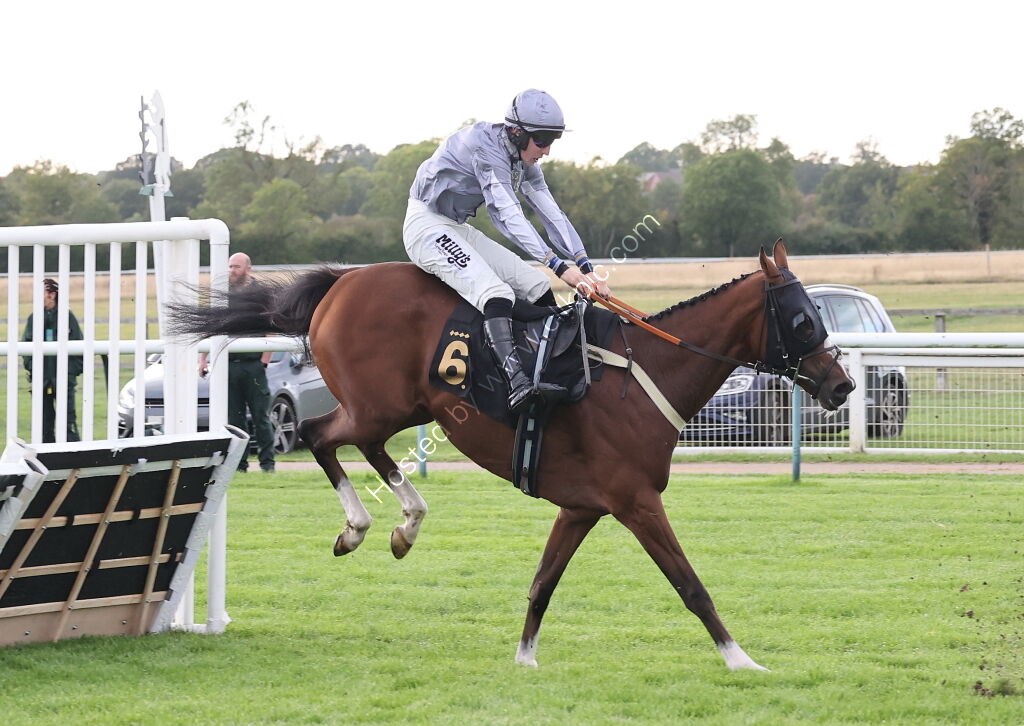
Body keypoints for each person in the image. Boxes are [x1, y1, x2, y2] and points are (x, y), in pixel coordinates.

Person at [404, 88, 611, 414]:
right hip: (426, 227)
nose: (546, 150)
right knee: (496, 292)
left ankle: (548, 366)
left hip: (456, 227)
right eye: (542, 141)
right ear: (517, 132)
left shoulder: (521, 155)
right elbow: (507, 215)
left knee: (536, 285)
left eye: (552, 142)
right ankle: (515, 382)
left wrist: (585, 267)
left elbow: (550, 211)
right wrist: (559, 267)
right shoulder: (486, 150)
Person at [199, 252, 276, 473]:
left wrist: (263, 362)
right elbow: (210, 326)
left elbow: (270, 328)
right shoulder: (221, 293)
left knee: (261, 417)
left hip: (253, 365)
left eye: (237, 267)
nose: (232, 270)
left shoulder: (260, 293)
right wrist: (202, 359)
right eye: (230, 266)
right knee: (234, 419)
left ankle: (267, 465)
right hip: (227, 365)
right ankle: (239, 465)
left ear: (248, 269)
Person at [21, 278, 83, 443]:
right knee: (43, 424)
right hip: (41, 382)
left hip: (64, 382)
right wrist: (33, 368)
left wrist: (70, 373)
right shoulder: (34, 318)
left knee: (67, 423)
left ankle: (74, 460)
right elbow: (26, 348)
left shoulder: (67, 317)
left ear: (52, 295)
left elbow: (80, 348)